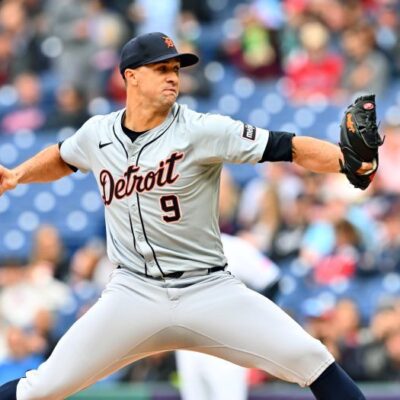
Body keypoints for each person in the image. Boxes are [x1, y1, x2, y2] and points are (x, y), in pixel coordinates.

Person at [0, 31, 374, 399]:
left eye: (176, 69)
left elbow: (287, 147)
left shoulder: (201, 129)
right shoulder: (98, 133)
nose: (173, 77)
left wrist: (345, 162)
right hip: (133, 293)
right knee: (41, 387)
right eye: (161, 68)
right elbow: (63, 157)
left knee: (312, 358)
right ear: (131, 76)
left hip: (207, 289)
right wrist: (17, 175)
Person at [176, 232, 281, 400]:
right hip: (187, 343)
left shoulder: (232, 246)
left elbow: (272, 280)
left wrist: (250, 321)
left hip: (225, 342)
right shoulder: (174, 249)